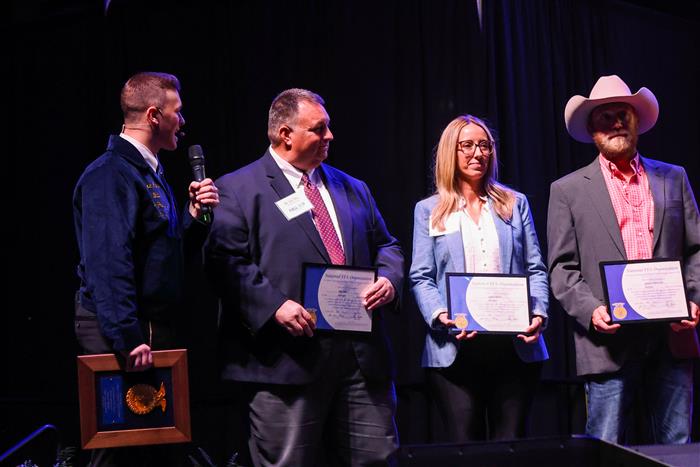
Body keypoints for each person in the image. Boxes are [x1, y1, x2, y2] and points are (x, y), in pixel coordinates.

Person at [205, 88, 404, 466]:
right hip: (285, 360)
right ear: (285, 134)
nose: (330, 136)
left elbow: (387, 245)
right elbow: (225, 261)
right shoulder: (238, 188)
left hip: (360, 359)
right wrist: (275, 305)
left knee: (377, 459)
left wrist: (390, 280)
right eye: (319, 129)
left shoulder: (353, 187)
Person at [73, 71, 219, 466]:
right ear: (154, 116)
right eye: (177, 112)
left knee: (151, 450)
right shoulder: (110, 173)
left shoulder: (148, 172)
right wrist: (126, 334)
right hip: (124, 331)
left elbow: (164, 255)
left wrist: (195, 216)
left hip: (150, 326)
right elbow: (108, 260)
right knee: (120, 451)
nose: (182, 121)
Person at [548, 75, 700, 444]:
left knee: (676, 447)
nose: (616, 123)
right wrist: (591, 310)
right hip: (608, 342)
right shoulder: (567, 190)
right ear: (592, 130)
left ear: (636, 122)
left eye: (623, 115)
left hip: (671, 336)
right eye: (606, 117)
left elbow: (696, 248)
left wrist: (694, 298)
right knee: (606, 446)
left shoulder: (674, 178)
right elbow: (561, 268)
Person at [409, 115, 549, 442]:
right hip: (455, 347)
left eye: (485, 145)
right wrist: (440, 315)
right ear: (451, 151)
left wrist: (539, 313)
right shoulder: (430, 210)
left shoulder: (514, 204)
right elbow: (421, 276)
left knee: (510, 447)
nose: (478, 153)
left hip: (513, 346)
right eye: (468, 145)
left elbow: (535, 268)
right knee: (465, 449)